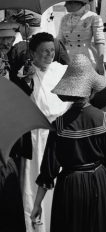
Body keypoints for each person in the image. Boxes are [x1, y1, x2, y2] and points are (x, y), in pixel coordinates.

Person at [29, 56, 106, 232]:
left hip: (70, 184)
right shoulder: (104, 119)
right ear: (92, 91)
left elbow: (48, 171)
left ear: (68, 92)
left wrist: (37, 204)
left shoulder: (58, 125)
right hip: (99, 180)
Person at [17, 32, 69, 232]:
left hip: (62, 133)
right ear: (32, 53)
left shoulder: (61, 69)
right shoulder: (26, 74)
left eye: (52, 51)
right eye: (44, 51)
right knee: (36, 183)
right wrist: (27, 81)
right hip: (39, 137)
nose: (49, 55)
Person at [57, 0, 105, 73]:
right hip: (68, 61)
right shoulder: (65, 18)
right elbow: (59, 42)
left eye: (69, 2)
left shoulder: (93, 17)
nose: (65, 5)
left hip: (87, 61)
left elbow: (99, 42)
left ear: (78, 1)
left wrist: (100, 64)